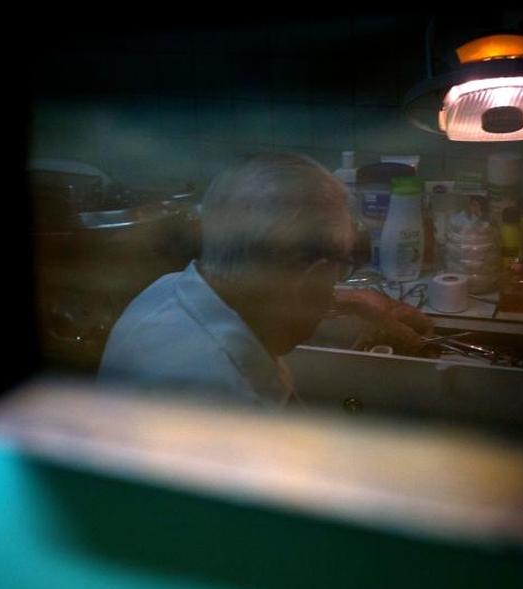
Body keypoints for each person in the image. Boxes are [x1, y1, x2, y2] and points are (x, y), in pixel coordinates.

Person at [98, 152, 433, 407]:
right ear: (311, 279)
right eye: (335, 276)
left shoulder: (164, 291)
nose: (333, 287)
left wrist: (356, 301)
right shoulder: (233, 396)